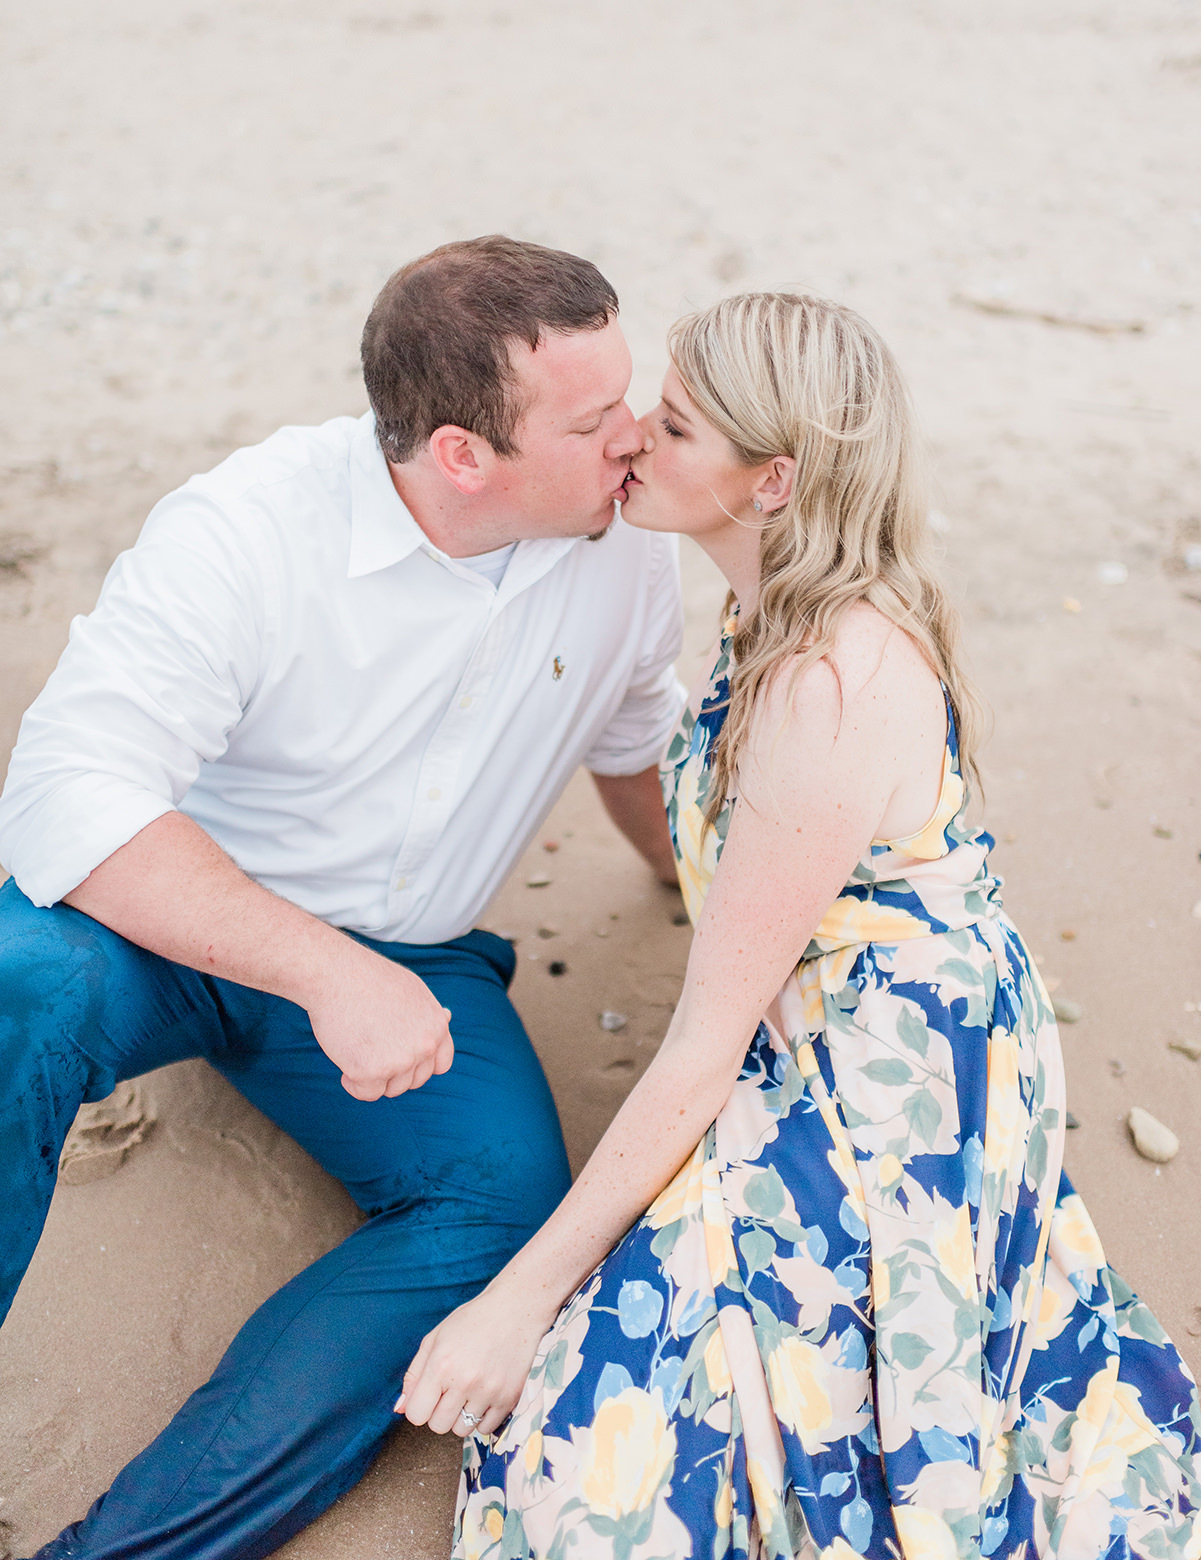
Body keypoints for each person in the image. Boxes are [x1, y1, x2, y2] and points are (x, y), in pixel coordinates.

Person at [401, 290, 1201, 1560]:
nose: (630, 445)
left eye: (669, 428)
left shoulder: (829, 677)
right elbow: (739, 845)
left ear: (769, 485)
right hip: (813, 995)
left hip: (887, 1071)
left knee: (603, 1456)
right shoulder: (766, 602)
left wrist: (513, 1302)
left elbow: (706, 1039)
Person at [0, 236, 688, 1559]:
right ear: (460, 456)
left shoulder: (625, 552)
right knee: (17, 981)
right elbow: (65, 794)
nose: (638, 437)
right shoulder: (249, 528)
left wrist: (697, 887)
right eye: (597, 419)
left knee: (502, 1207)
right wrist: (323, 970)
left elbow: (633, 743)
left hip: (420, 963)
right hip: (178, 929)